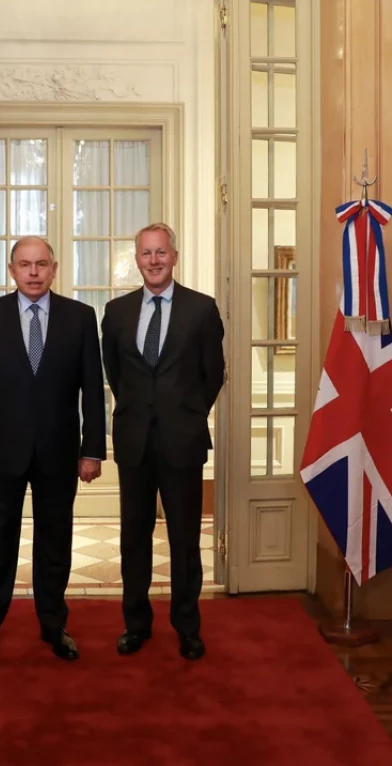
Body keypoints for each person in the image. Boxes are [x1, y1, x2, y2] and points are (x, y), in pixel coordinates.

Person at [0, 236, 107, 663]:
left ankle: (54, 626)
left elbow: (92, 391)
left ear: (54, 269)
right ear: (12, 270)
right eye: (25, 264)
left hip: (60, 454)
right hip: (0, 454)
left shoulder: (80, 318)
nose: (34, 272)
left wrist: (92, 449)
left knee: (55, 542)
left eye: (42, 264)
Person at [101, 222, 226, 661]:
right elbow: (114, 373)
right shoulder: (116, 313)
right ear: (136, 260)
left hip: (183, 441)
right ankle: (136, 625)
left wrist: (188, 412)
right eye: (145, 254)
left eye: (160, 253)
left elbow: (214, 374)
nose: (153, 261)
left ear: (174, 256)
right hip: (134, 441)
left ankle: (187, 626)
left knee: (185, 539)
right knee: (134, 537)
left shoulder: (201, 309)